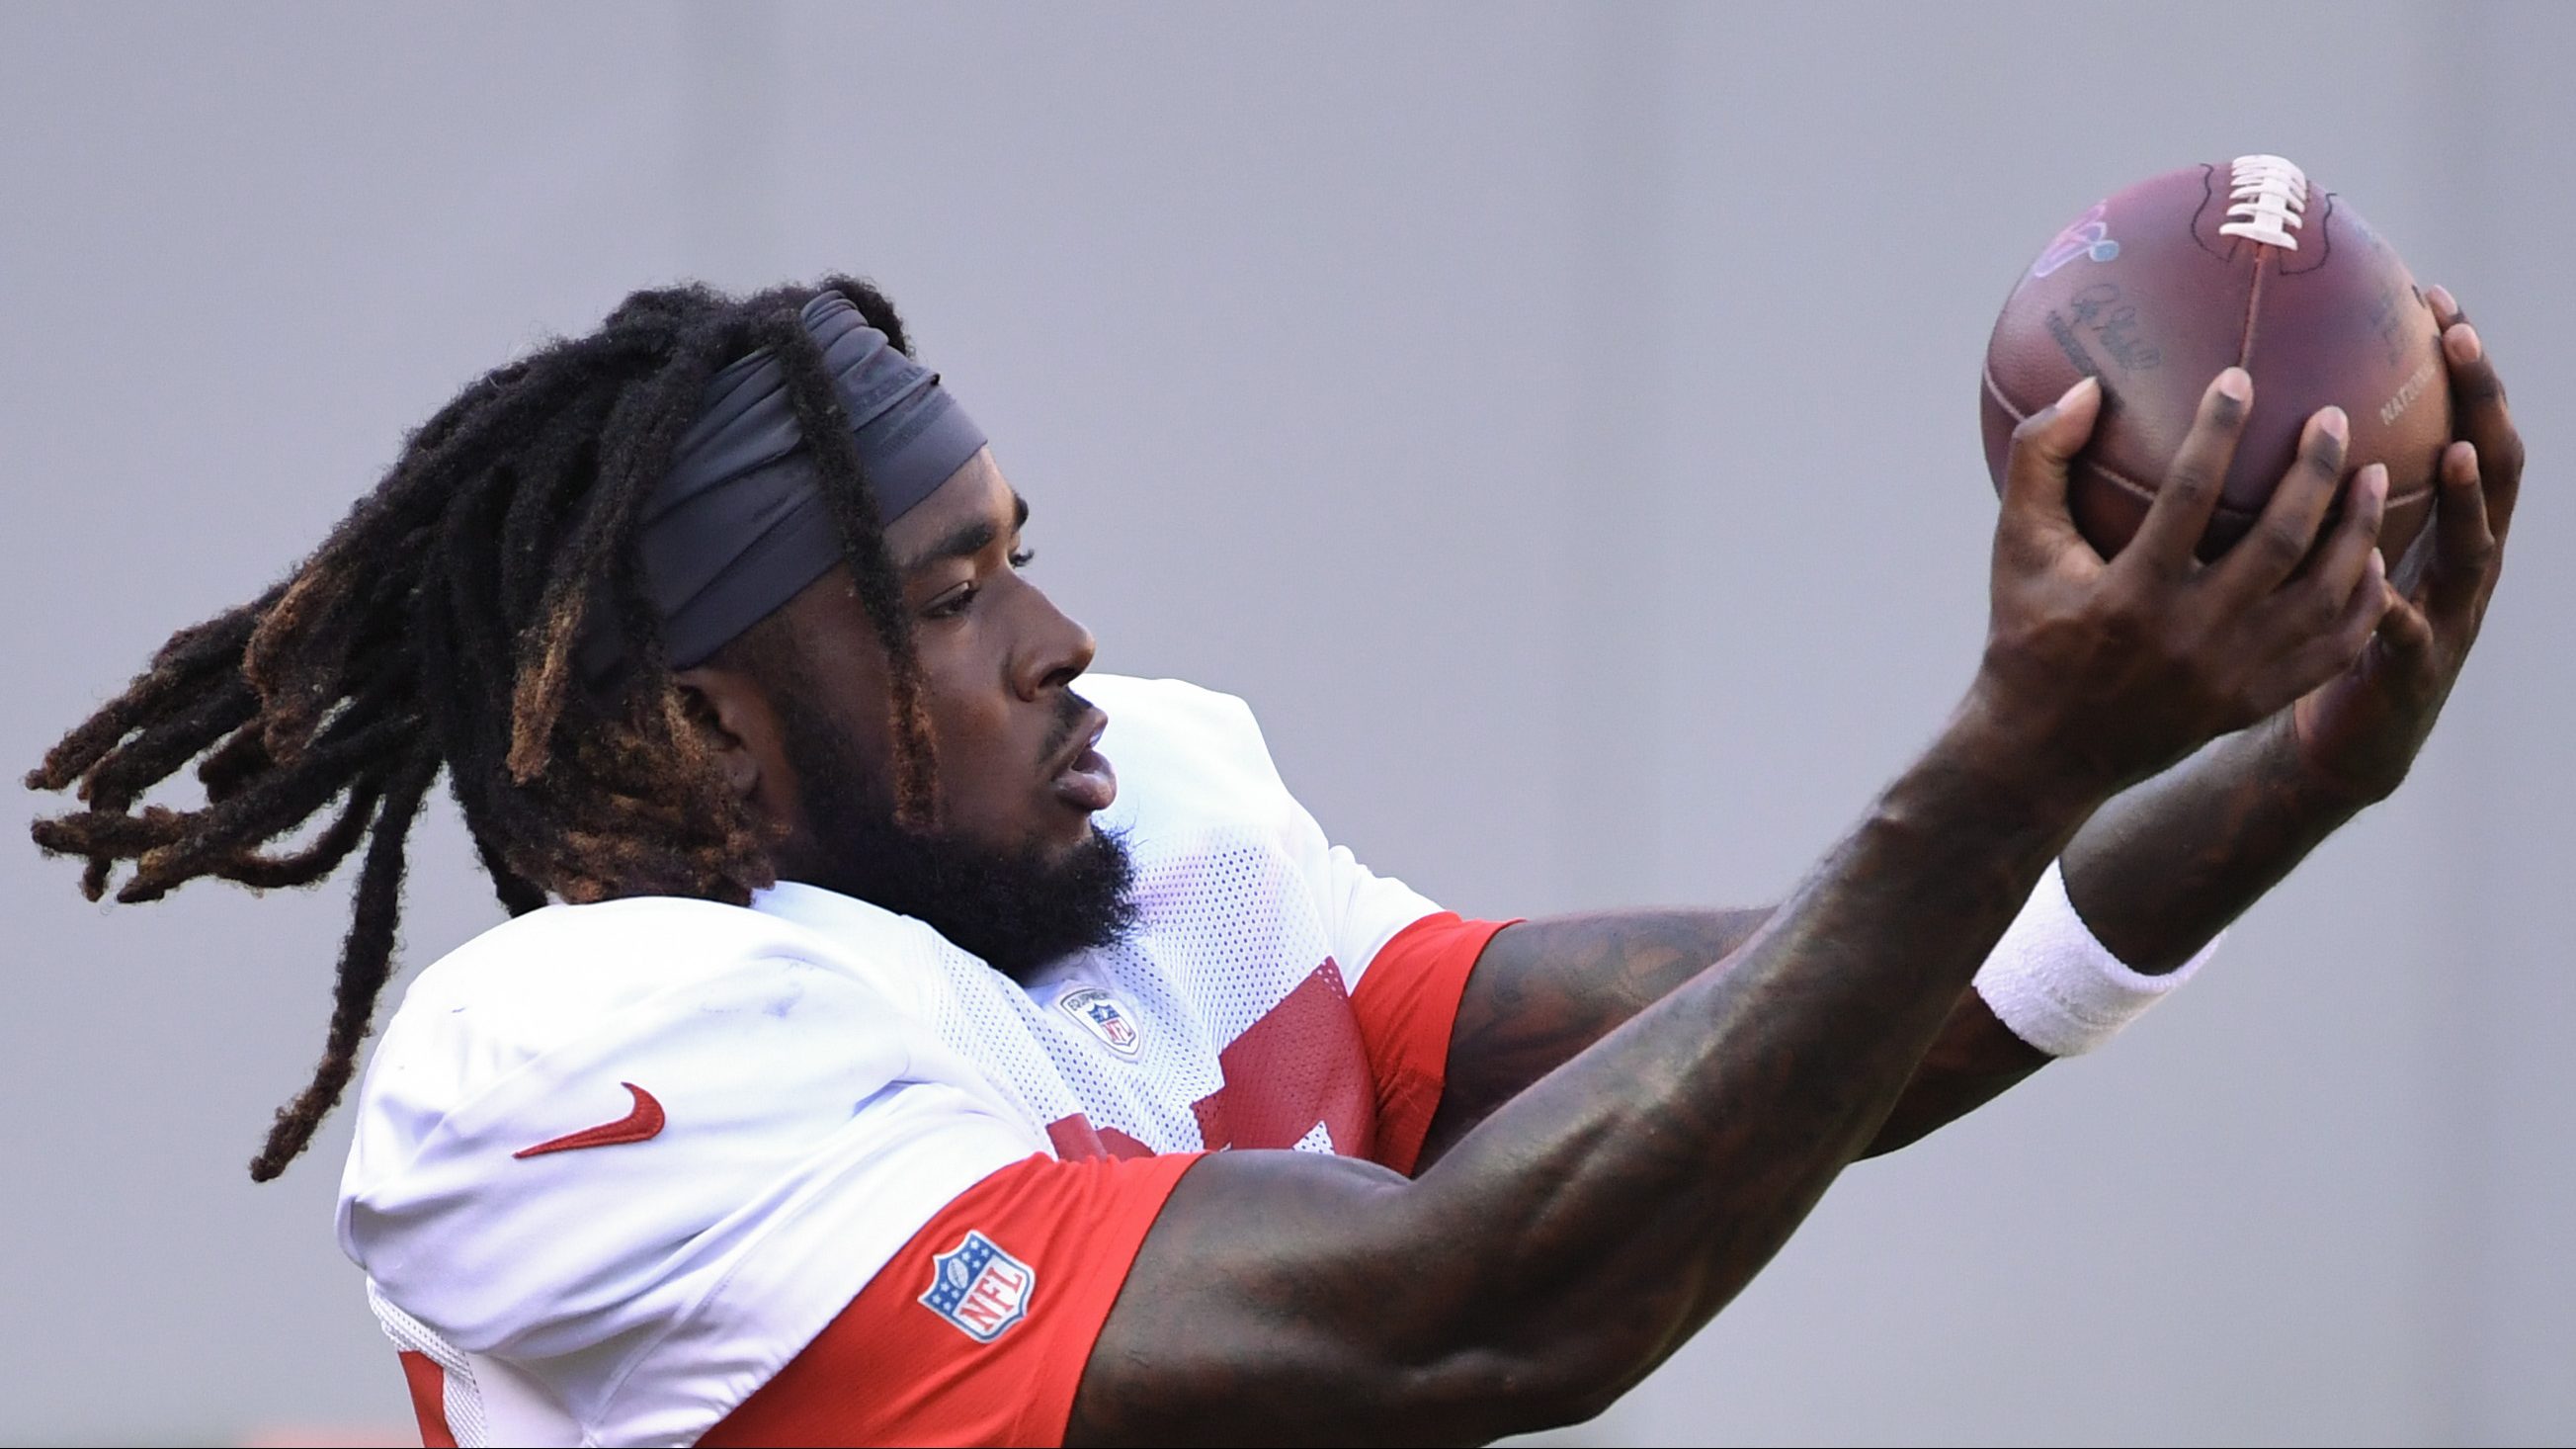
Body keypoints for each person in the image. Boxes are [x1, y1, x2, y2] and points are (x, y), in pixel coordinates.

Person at [28, 276, 2520, 1447]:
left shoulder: (1142, 837)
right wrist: (2001, 762)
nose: (1057, 642)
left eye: (1019, 549)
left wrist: (2282, 774)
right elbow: (1465, 1314)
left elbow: (1755, 1054)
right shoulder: (577, 1072)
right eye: (945, 598)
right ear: (705, 733)